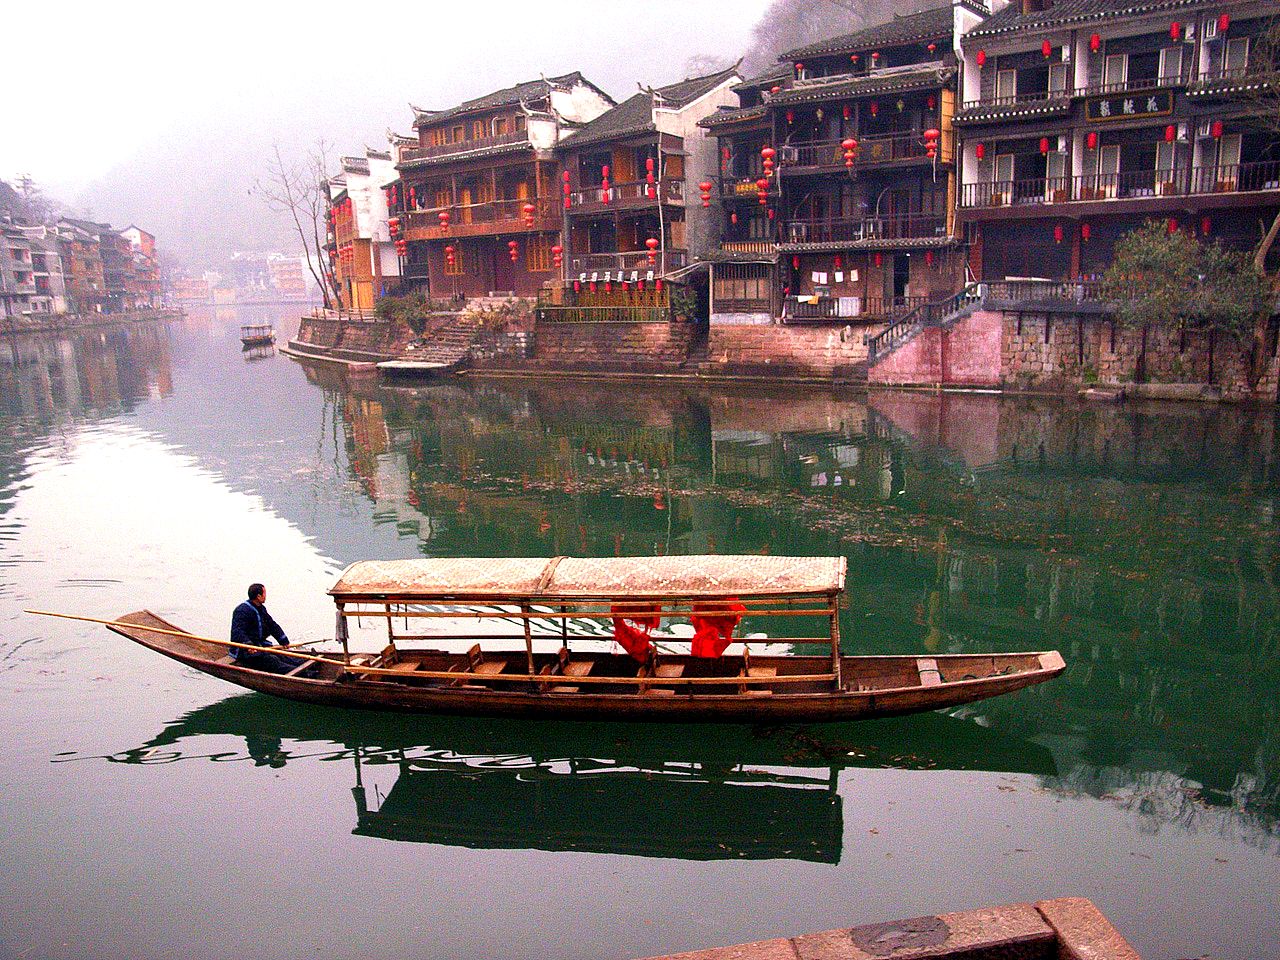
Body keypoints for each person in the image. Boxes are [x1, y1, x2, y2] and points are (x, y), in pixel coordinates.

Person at [230, 583, 311, 675]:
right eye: (264, 594)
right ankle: (305, 674)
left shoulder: (261, 608)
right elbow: (237, 632)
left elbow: (272, 625)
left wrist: (283, 640)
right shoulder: (242, 611)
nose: (266, 596)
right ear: (259, 596)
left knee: (281, 654)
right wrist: (248, 645)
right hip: (245, 651)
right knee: (272, 660)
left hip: (259, 646)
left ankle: (306, 665)